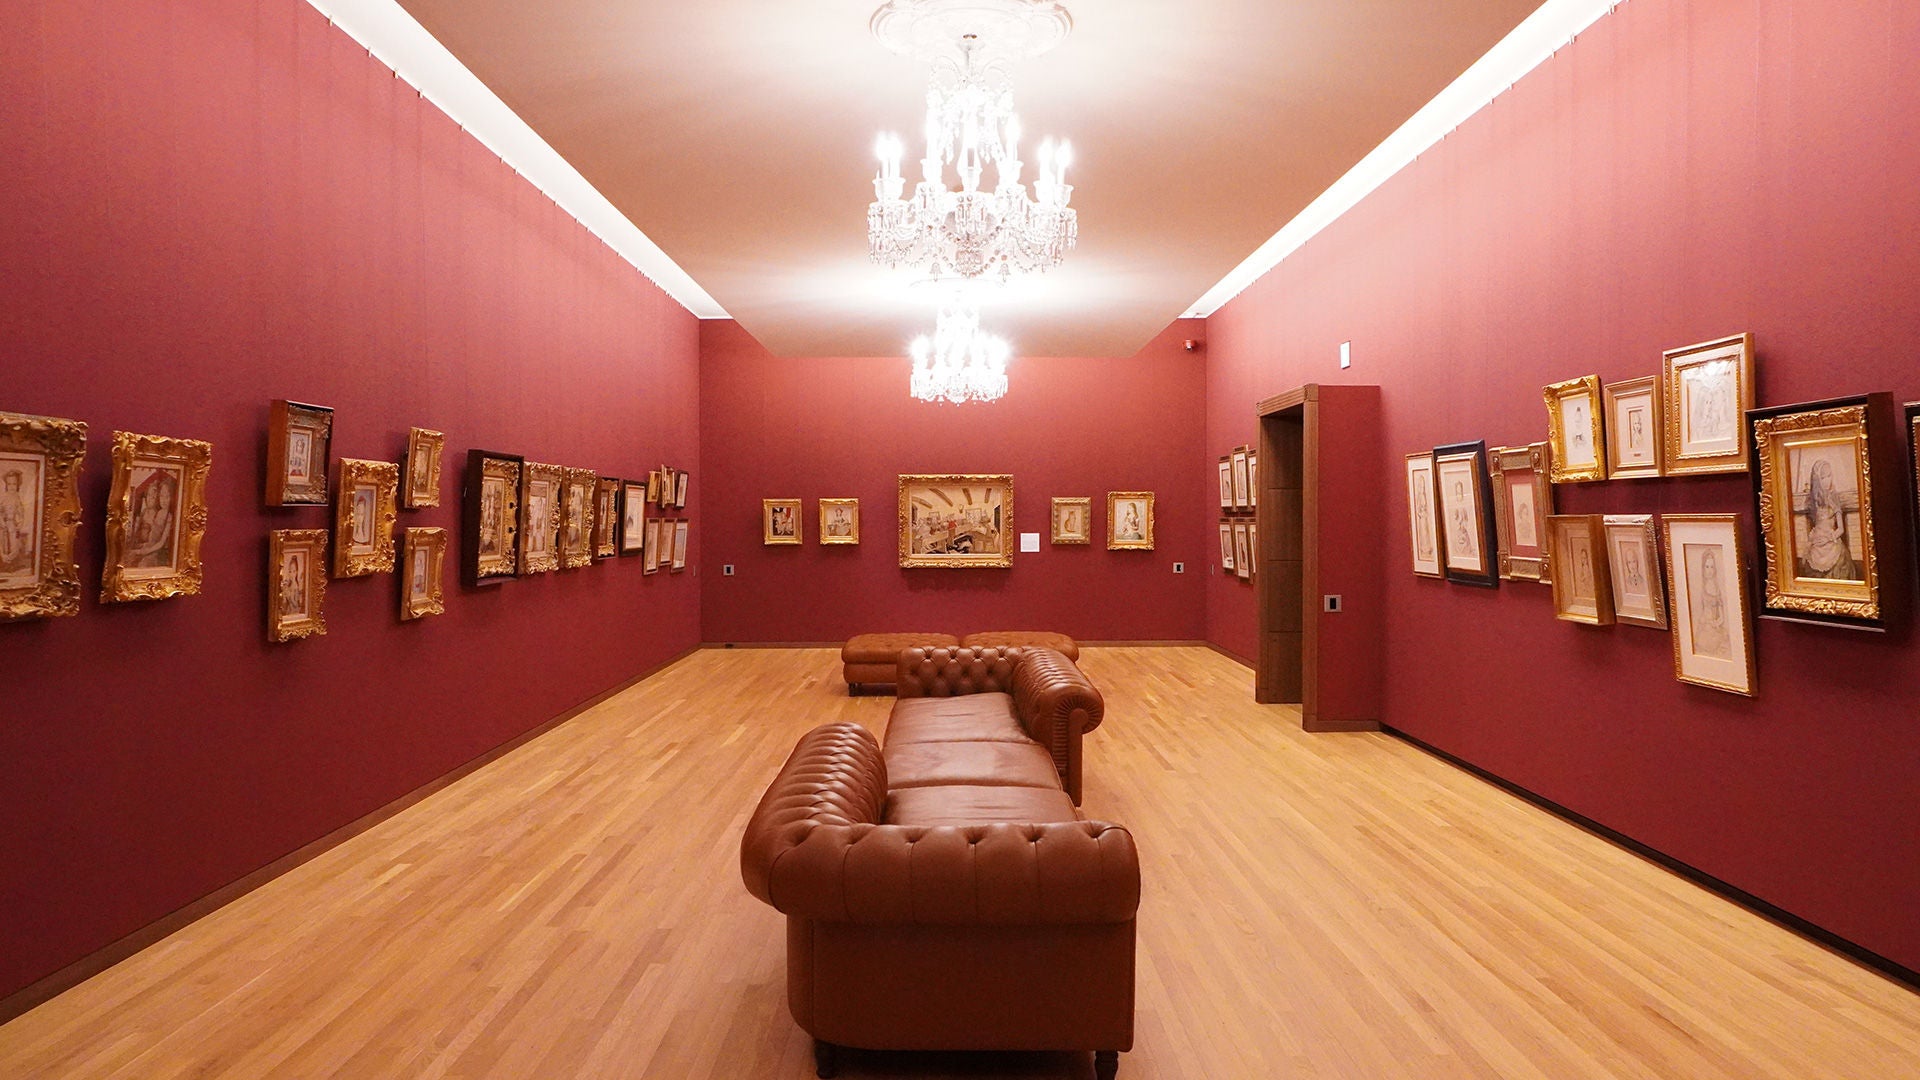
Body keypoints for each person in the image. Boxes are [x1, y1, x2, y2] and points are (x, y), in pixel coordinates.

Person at [1796, 458, 1857, 579]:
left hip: (1831, 542)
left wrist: (1828, 539)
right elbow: (1816, 525)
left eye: (1829, 476)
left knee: (1838, 568)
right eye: (1823, 477)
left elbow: (1840, 529)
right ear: (1817, 480)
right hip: (1816, 544)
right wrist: (1813, 540)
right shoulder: (1813, 501)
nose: (1827, 481)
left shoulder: (1834, 498)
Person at [127, 470, 178, 569]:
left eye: (167, 496)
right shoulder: (158, 512)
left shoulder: (169, 517)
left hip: (155, 552)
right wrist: (140, 547)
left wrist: (142, 551)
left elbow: (160, 543)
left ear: (172, 498)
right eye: (161, 496)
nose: (163, 500)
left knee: (142, 565)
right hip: (148, 546)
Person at [1692, 548, 1731, 659]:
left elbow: (1721, 610)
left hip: (1716, 626)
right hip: (1705, 627)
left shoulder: (1717, 587)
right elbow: (1699, 613)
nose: (1709, 570)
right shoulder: (1701, 588)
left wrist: (1719, 621)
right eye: (1707, 567)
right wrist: (1707, 622)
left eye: (1712, 567)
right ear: (1703, 568)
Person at [0, 468, 32, 574]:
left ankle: (11, 563)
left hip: (12, 523)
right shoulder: (4, 497)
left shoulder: (17, 497)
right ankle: (4, 562)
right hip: (3, 524)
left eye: (14, 484)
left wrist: (20, 521)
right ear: (6, 485)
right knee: (4, 543)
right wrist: (1, 521)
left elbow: (20, 511)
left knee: (14, 543)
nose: (12, 487)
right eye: (9, 484)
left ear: (18, 485)